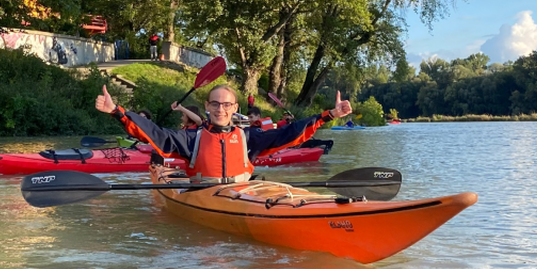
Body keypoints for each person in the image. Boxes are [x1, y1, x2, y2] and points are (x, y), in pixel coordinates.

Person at [95, 84, 352, 182]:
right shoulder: (191, 138)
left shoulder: (249, 138)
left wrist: (328, 115)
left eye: (226, 104)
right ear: (207, 106)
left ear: (235, 108)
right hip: (206, 198)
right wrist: (117, 111)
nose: (221, 108)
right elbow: (153, 133)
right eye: (215, 103)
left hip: (245, 195)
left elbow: (291, 133)